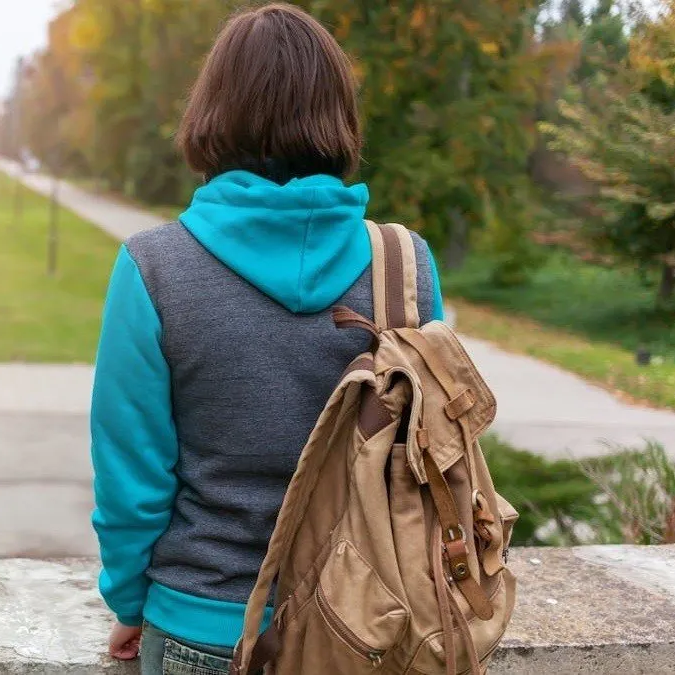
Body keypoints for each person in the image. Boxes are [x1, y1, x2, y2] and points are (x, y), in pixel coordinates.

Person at [88, 4, 445, 674]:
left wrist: (132, 603)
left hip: (199, 621)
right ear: (337, 118)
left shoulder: (153, 269)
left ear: (211, 113)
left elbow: (130, 478)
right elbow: (434, 456)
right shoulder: (408, 268)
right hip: (366, 624)